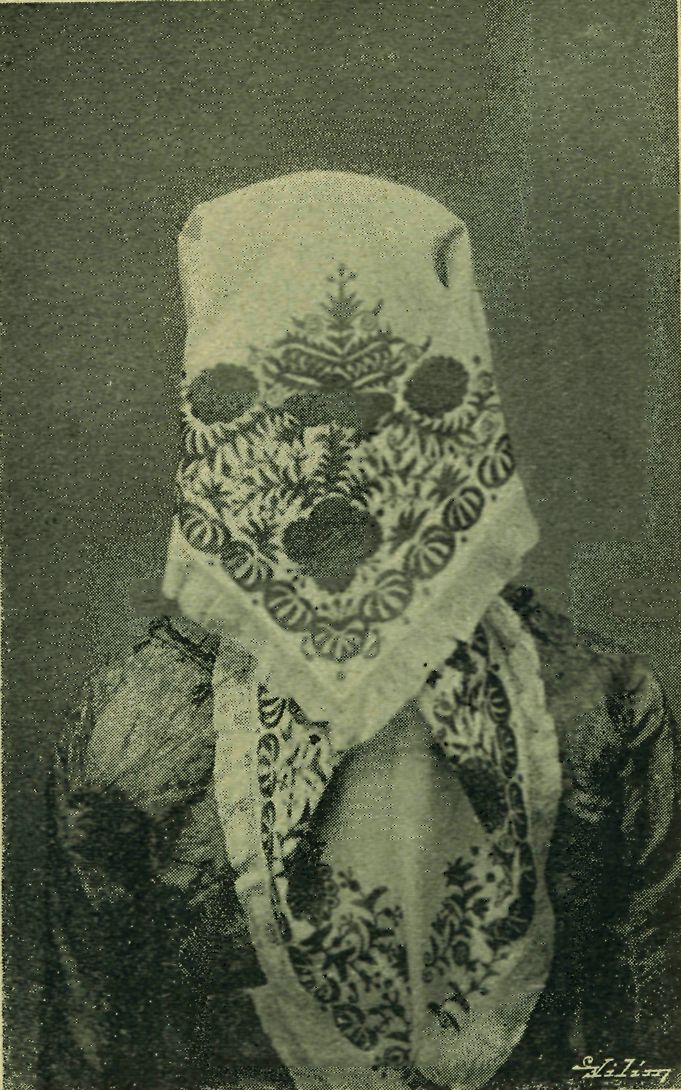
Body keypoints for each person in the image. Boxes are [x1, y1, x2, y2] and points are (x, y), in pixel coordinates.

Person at [45, 172, 681, 1090]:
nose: (333, 455)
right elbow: (90, 1060)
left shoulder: (597, 708)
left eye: (383, 400)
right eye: (291, 409)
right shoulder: (134, 731)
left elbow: (647, 1053)